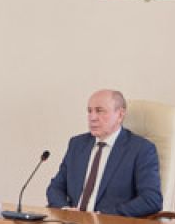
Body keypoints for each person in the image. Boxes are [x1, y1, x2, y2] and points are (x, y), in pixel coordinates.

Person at [45, 89, 162, 217]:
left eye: (99, 111)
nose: (92, 117)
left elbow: (151, 200)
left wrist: (102, 216)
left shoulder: (141, 149)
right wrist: (65, 209)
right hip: (71, 223)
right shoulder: (77, 144)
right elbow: (55, 188)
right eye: (89, 111)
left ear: (120, 115)